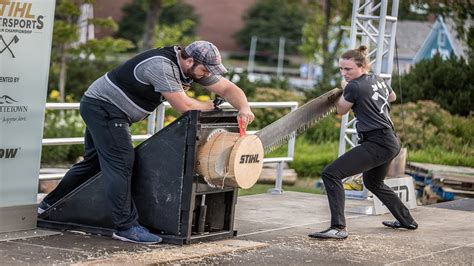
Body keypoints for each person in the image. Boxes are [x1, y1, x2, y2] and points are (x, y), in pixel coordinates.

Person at [38, 40, 255, 244]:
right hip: (104, 108)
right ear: (190, 61)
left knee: (93, 164)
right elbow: (185, 106)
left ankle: (49, 204)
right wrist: (208, 106)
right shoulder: (161, 66)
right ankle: (125, 227)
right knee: (123, 163)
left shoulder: (192, 68)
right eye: (206, 70)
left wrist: (244, 107)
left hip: (104, 106)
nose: (207, 75)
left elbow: (228, 89)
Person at [308, 45, 418, 240]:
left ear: (362, 66)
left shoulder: (354, 86)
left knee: (331, 174)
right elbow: (391, 97)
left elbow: (341, 111)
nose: (344, 73)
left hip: (378, 142)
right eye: (341, 69)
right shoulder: (378, 79)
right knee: (373, 182)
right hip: (390, 141)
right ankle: (407, 221)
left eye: (348, 69)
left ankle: (338, 227)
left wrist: (343, 90)